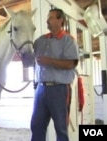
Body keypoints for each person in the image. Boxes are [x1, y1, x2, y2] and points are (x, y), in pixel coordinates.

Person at [30, 8, 79, 141]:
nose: (47, 20)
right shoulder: (40, 40)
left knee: (61, 128)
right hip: (41, 88)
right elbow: (29, 56)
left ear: (60, 20)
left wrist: (49, 61)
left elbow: (71, 64)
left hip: (60, 89)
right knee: (36, 126)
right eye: (48, 17)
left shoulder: (68, 40)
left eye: (51, 18)